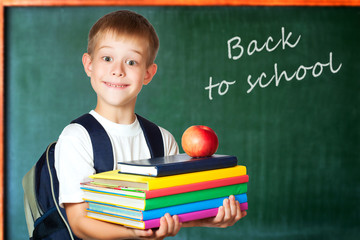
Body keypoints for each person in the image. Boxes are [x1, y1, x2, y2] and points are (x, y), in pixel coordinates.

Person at [54, 10, 247, 240]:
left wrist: (209, 219)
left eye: (131, 61)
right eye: (107, 58)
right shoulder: (77, 138)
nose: (118, 70)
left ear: (148, 73)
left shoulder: (163, 140)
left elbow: (168, 213)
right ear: (89, 64)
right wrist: (134, 233)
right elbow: (80, 223)